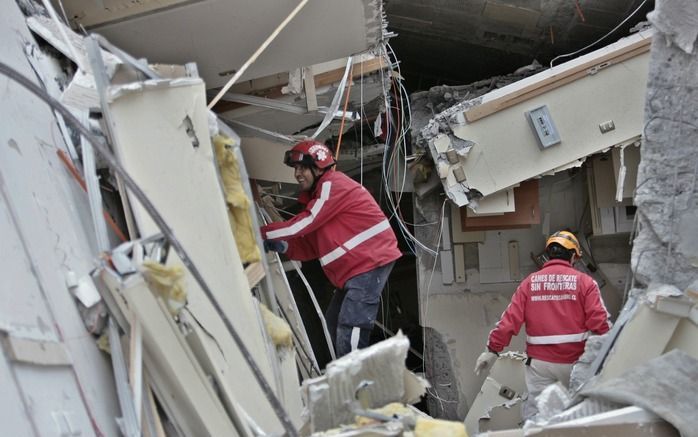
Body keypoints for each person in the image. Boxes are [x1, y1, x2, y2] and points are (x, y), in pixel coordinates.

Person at [261, 140, 401, 357]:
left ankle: (356, 384)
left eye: (302, 168)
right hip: (355, 270)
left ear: (318, 167)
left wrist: (259, 232)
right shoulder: (320, 197)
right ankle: (344, 379)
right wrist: (284, 245)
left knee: (351, 324)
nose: (297, 174)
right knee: (333, 324)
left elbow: (305, 223)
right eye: (295, 169)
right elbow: (311, 246)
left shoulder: (332, 185)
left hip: (368, 263)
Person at [473, 230, 610, 420]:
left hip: (540, 365)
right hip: (574, 362)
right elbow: (599, 322)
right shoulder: (585, 282)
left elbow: (509, 321)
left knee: (539, 417)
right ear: (573, 256)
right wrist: (607, 352)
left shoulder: (529, 284)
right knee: (579, 415)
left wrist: (492, 350)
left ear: (549, 254)